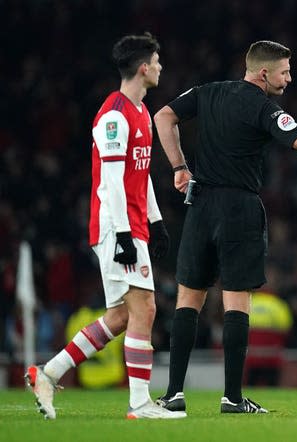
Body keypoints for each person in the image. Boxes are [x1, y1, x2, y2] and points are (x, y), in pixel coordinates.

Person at [153, 40, 297, 414]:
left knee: (188, 298)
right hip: (239, 207)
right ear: (263, 73)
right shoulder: (263, 107)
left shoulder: (207, 93)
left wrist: (179, 167)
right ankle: (232, 398)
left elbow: (162, 116)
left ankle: (174, 394)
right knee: (236, 300)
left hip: (201, 204)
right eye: (285, 71)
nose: (289, 79)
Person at [25, 33, 185, 420]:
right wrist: (126, 235)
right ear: (144, 67)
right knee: (145, 308)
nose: (162, 67)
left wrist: (157, 221)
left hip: (132, 225)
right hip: (117, 227)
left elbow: (140, 173)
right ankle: (140, 403)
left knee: (120, 316)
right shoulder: (114, 115)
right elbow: (110, 181)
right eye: (158, 61)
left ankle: (47, 373)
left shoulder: (142, 112)